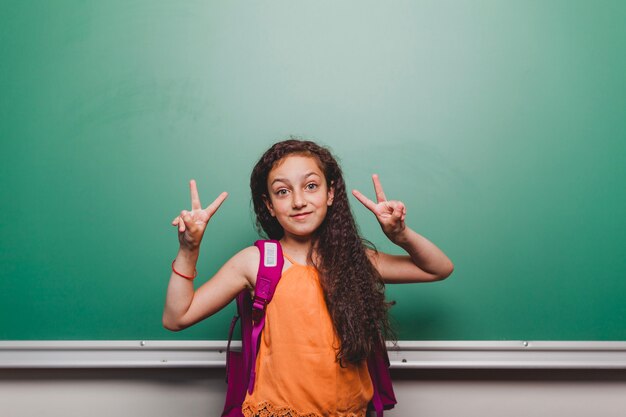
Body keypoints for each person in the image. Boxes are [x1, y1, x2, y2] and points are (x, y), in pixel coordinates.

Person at [163, 138, 454, 417]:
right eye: (282, 191)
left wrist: (400, 235)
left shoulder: (354, 259)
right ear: (269, 205)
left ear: (330, 194)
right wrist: (189, 248)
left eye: (311, 186)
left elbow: (438, 269)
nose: (298, 201)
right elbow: (177, 317)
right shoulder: (256, 262)